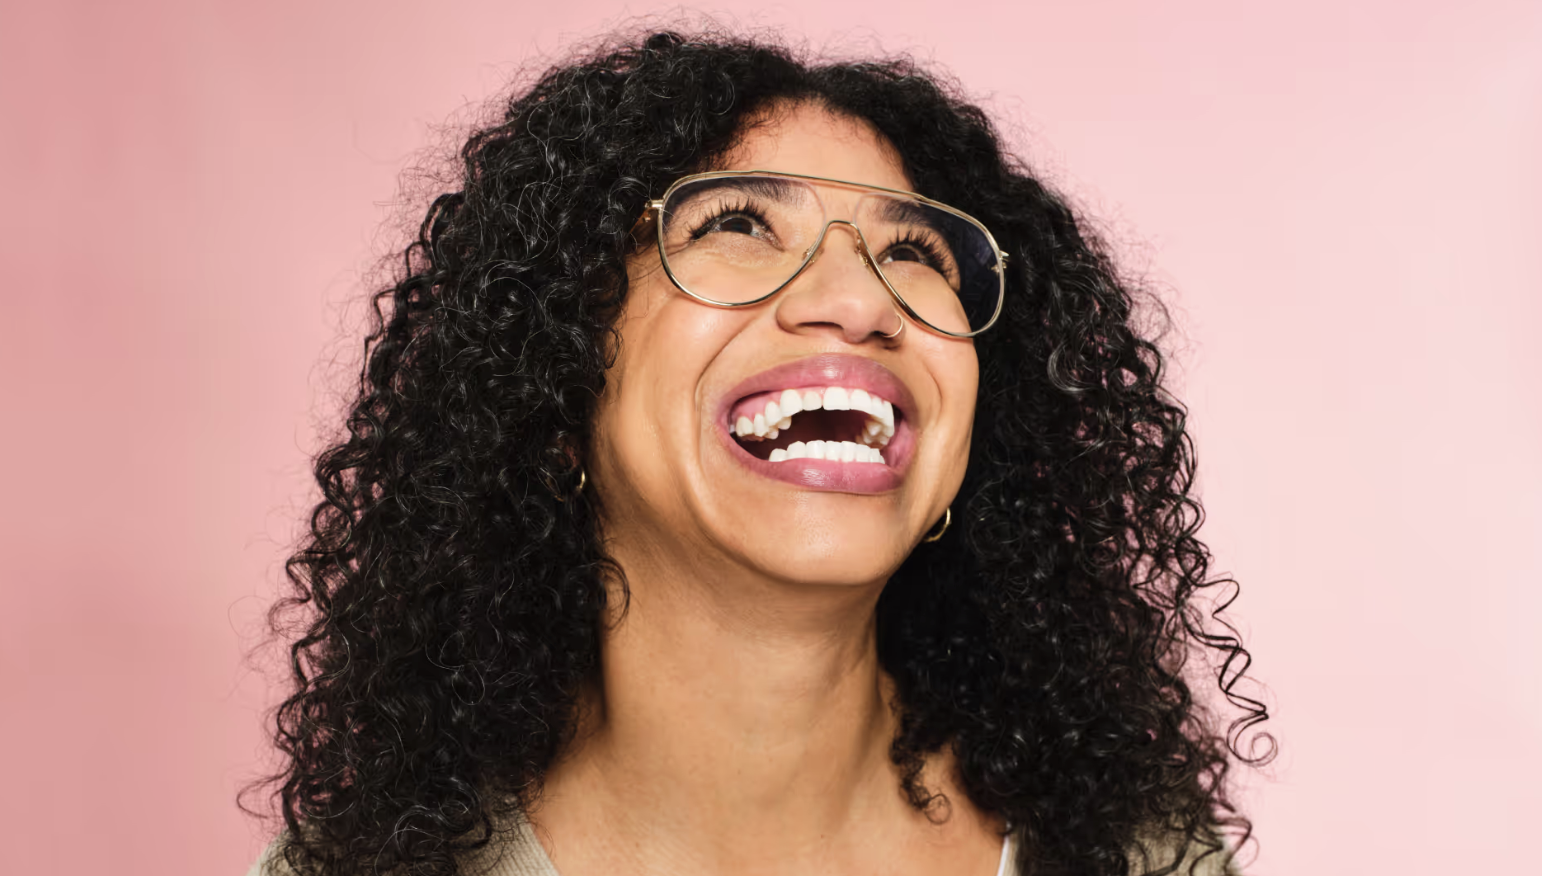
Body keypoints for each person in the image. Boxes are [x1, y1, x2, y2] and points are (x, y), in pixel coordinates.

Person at [245, 28, 1269, 876]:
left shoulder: (1135, 853)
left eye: (912, 251)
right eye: (737, 222)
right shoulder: (365, 865)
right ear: (553, 390)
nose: (861, 301)